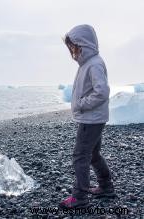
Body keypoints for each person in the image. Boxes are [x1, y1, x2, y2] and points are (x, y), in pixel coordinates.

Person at [60, 24, 116, 209]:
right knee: (92, 154)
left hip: (90, 119)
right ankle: (106, 187)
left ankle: (80, 198)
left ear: (83, 44)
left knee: (80, 156)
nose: (71, 51)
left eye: (73, 46)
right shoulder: (88, 63)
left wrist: (81, 105)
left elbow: (102, 92)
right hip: (93, 118)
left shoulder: (94, 64)